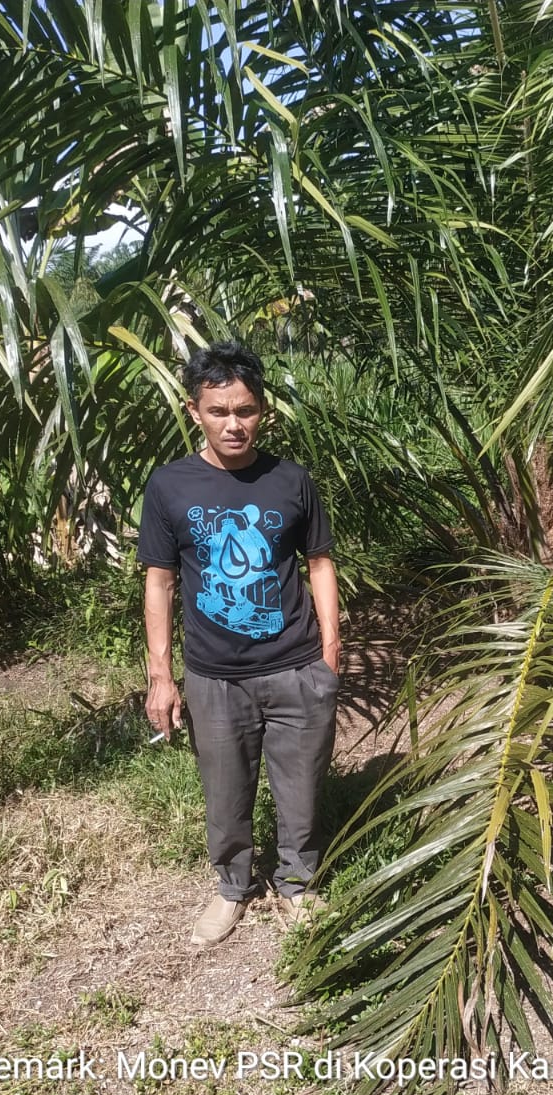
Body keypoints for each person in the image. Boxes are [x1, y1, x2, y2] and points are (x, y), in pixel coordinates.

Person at [138, 340, 341, 947]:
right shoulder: (169, 485)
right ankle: (232, 887)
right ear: (194, 410)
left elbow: (320, 564)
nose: (234, 424)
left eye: (246, 410)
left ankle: (297, 882)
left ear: (262, 410)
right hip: (215, 676)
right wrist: (161, 676)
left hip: (296, 665)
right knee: (225, 795)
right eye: (219, 411)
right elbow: (159, 582)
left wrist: (330, 654)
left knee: (301, 789)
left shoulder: (290, 480)